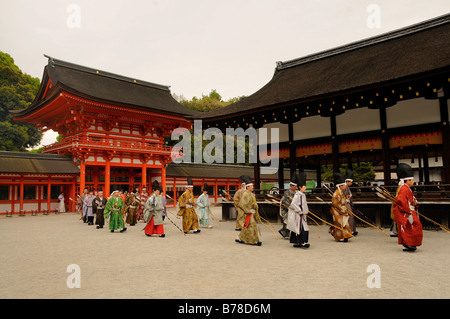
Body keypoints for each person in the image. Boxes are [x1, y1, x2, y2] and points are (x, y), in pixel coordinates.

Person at [393, 163, 423, 252]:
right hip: (407, 212)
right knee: (410, 228)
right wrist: (407, 211)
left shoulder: (407, 188)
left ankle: (411, 243)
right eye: (412, 180)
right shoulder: (403, 189)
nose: (413, 181)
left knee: (414, 227)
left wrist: (415, 202)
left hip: (410, 210)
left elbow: (410, 199)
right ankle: (408, 244)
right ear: (407, 180)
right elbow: (401, 201)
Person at [235, 175, 261, 246]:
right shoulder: (245, 194)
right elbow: (242, 204)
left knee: (250, 226)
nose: (253, 187)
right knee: (251, 226)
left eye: (253, 186)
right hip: (248, 213)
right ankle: (252, 240)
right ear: (248, 187)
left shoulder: (251, 194)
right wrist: (248, 210)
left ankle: (242, 238)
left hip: (251, 212)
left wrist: (255, 206)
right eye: (251, 186)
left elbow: (254, 203)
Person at [287, 172, 310, 248]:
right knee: (300, 228)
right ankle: (301, 242)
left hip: (301, 214)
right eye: (304, 186)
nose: (305, 188)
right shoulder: (297, 195)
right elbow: (293, 204)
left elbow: (304, 205)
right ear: (300, 187)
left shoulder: (302, 195)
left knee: (302, 228)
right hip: (298, 214)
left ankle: (298, 242)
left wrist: (305, 211)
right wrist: (300, 211)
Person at [329, 173, 354, 242]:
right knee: (339, 224)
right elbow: (335, 203)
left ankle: (345, 236)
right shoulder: (336, 193)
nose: (345, 187)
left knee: (345, 223)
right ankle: (339, 237)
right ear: (340, 186)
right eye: (344, 185)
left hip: (342, 210)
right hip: (337, 211)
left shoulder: (341, 192)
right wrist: (342, 208)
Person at [343, 168, 357, 236]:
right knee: (350, 216)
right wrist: (346, 200)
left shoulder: (346, 187)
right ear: (348, 181)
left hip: (349, 203)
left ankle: (353, 230)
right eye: (351, 182)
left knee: (351, 216)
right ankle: (350, 230)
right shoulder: (344, 187)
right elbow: (344, 195)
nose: (351, 183)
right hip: (346, 204)